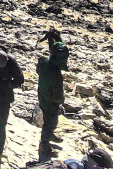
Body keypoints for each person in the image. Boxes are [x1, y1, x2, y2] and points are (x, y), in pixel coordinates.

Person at [37, 29, 70, 161]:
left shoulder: (44, 63)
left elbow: (52, 55)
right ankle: (44, 145)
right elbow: (58, 96)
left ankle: (50, 136)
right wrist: (62, 100)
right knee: (50, 123)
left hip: (42, 96)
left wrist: (54, 41)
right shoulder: (56, 75)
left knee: (49, 120)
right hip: (50, 102)